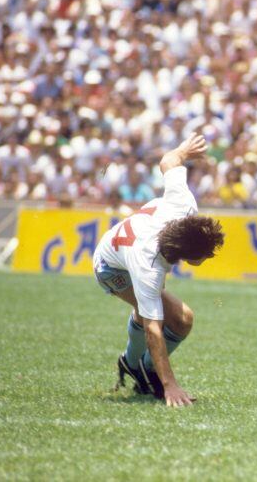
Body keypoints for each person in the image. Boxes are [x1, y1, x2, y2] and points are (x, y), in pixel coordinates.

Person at [92, 133, 225, 407]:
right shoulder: (149, 265)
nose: (209, 257)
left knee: (167, 314)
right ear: (186, 256)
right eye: (205, 256)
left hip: (134, 250)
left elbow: (169, 160)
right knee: (174, 317)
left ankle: (135, 366)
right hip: (111, 268)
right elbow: (154, 329)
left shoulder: (185, 205)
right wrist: (170, 385)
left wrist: (184, 149)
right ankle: (142, 369)